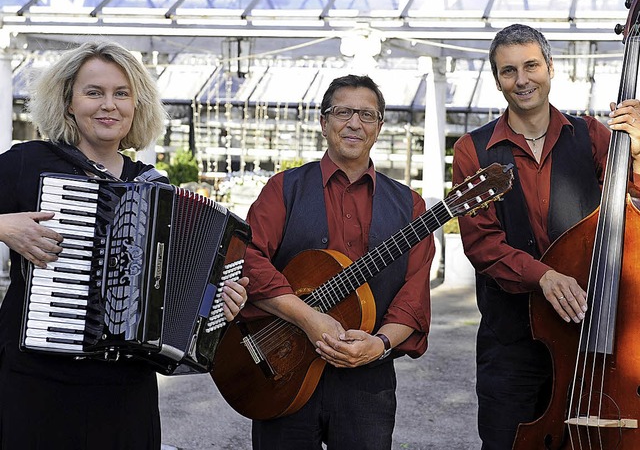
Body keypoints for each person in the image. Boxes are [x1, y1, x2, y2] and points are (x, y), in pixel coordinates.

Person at [0, 41, 249, 450]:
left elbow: (187, 301)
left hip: (124, 391)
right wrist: (4, 226)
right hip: (37, 383)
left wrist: (221, 301)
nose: (108, 105)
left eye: (121, 93)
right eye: (93, 92)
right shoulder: (27, 163)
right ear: (68, 104)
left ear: (137, 106)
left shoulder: (155, 189)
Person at [451, 23, 640, 450]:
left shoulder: (593, 135)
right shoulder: (472, 150)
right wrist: (544, 277)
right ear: (497, 79)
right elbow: (482, 244)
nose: (522, 80)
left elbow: (633, 202)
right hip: (511, 345)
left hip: (590, 340)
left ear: (551, 68)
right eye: (508, 71)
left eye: (531, 65)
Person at [240, 74, 435, 450]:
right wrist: (308, 318)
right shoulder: (283, 189)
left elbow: (413, 298)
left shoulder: (410, 206)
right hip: (281, 366)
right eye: (343, 112)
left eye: (366, 114)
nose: (354, 123)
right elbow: (248, 261)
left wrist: (378, 345)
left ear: (379, 127)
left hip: (367, 381)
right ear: (324, 122)